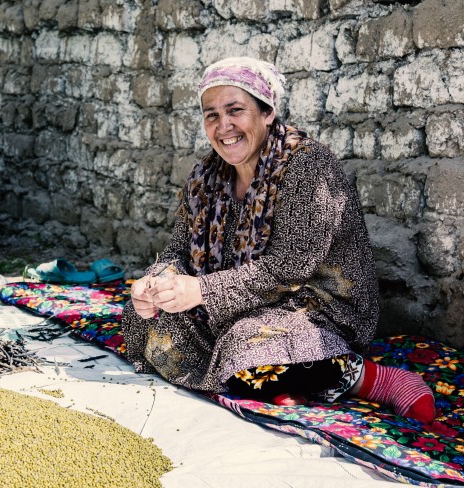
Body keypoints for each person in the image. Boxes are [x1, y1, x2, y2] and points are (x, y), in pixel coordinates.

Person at [121, 56, 435, 422]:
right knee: (143, 318)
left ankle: (370, 378)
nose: (224, 126)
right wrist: (156, 282)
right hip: (239, 301)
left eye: (235, 110)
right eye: (211, 115)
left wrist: (202, 291)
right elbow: (179, 251)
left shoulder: (307, 166)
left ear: (267, 113)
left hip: (316, 305)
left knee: (246, 348)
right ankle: (281, 381)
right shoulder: (207, 175)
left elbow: (289, 269)